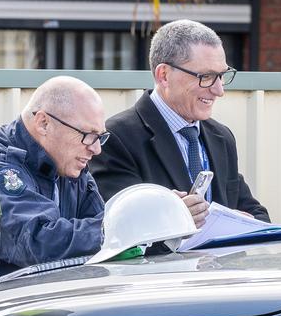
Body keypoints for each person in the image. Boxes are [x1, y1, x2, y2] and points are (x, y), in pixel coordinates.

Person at [90, 19, 269, 223]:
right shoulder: (116, 138)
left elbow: (257, 215)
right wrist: (173, 219)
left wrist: (240, 224)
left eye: (222, 76)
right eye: (206, 76)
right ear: (164, 75)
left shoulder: (221, 136)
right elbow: (118, 226)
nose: (219, 90)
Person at [0, 76, 107, 279]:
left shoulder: (68, 160)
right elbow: (37, 242)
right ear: (43, 123)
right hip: (1, 306)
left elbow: (102, 225)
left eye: (100, 136)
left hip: (49, 298)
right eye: (88, 134)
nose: (96, 148)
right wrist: (128, 227)